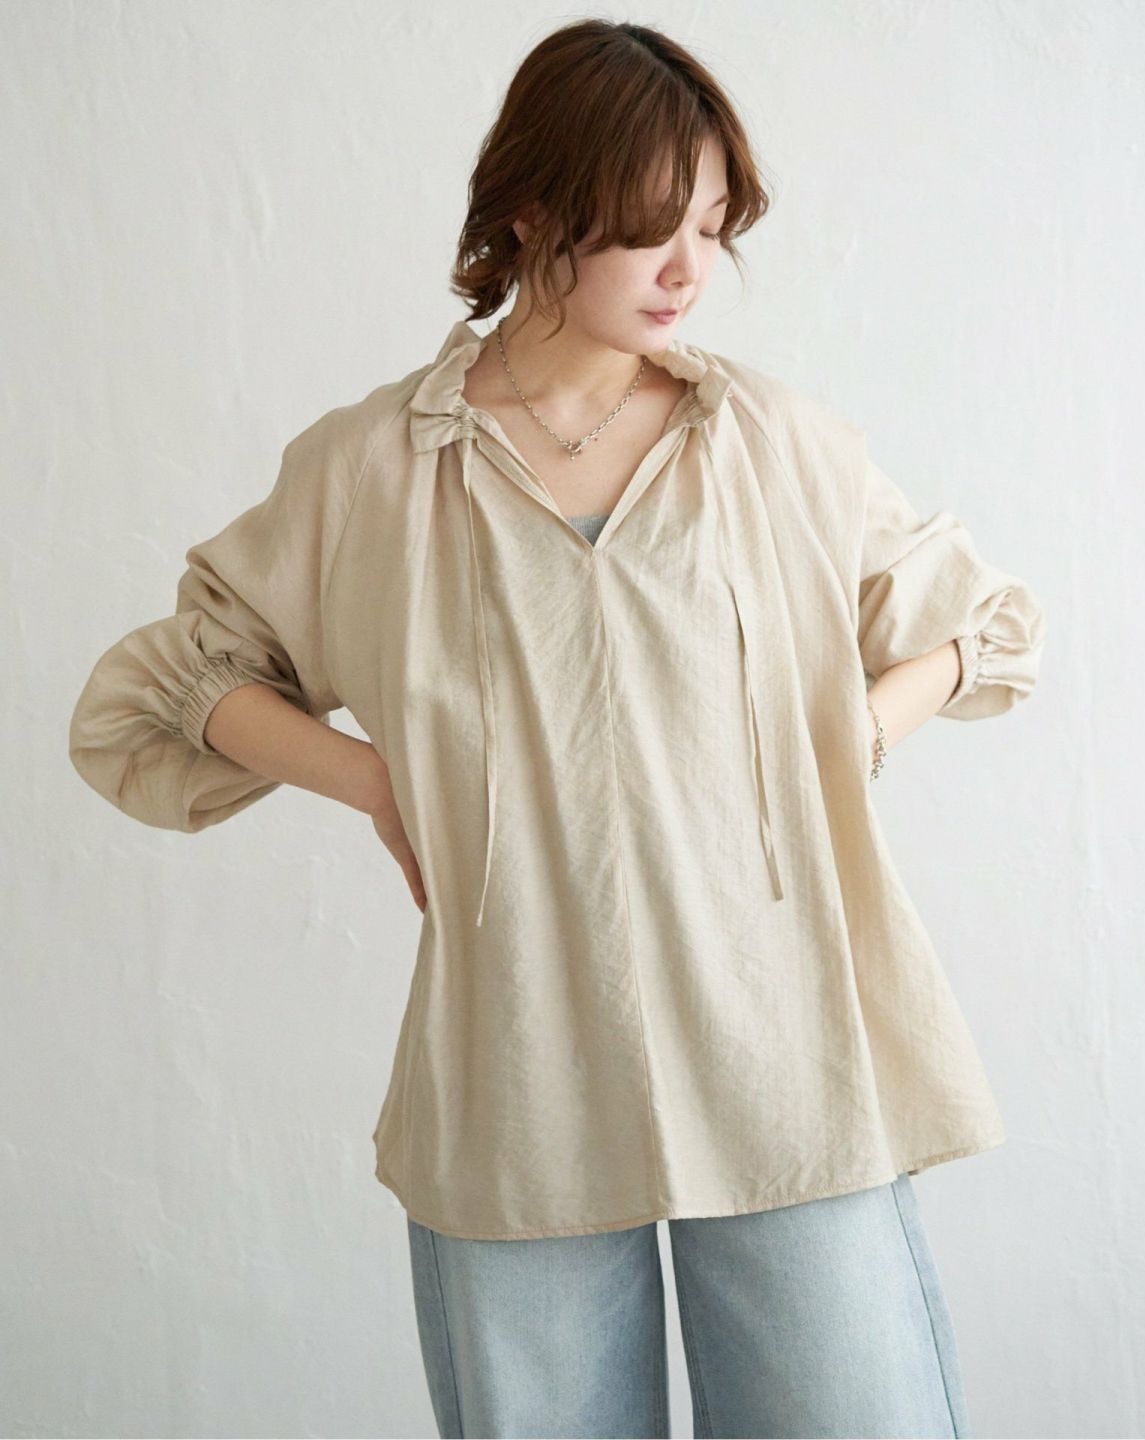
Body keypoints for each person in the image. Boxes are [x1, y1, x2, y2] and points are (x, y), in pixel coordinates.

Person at [67, 18, 1047, 1440]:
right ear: (533, 210)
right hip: (517, 1074)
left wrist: (855, 735)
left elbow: (985, 625)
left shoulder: (768, 444)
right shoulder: (377, 471)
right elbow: (157, 693)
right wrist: (374, 779)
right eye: (652, 224)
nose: (688, 269)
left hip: (787, 1061)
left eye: (713, 226)